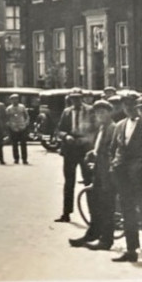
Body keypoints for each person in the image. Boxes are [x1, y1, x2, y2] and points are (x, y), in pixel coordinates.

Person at [69, 96, 117, 249]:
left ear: (110, 113)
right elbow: (99, 149)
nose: (100, 116)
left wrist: (101, 160)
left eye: (103, 112)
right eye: (97, 113)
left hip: (107, 174)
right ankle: (92, 234)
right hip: (98, 172)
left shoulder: (112, 128)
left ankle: (106, 240)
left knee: (107, 207)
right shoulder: (101, 128)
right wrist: (92, 153)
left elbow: (112, 151)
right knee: (96, 205)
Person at [110, 90, 142, 263]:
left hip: (140, 177)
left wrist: (140, 166)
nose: (129, 108)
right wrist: (115, 165)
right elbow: (114, 150)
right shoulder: (120, 125)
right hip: (123, 178)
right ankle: (131, 249)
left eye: (132, 104)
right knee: (128, 214)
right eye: (125, 105)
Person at [55, 91, 98, 223]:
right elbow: (59, 130)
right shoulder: (67, 112)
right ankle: (66, 213)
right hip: (70, 149)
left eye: (78, 98)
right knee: (69, 182)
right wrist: (65, 136)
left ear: (82, 98)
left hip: (85, 149)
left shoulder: (91, 111)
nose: (75, 101)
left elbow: (96, 130)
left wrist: (86, 140)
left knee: (89, 181)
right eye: (73, 99)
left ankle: (93, 214)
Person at [6, 95, 31, 165]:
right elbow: (7, 119)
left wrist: (26, 124)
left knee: (23, 144)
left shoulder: (22, 107)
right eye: (13, 99)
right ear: (11, 100)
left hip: (22, 127)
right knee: (14, 144)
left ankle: (24, 159)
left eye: (16, 99)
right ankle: (16, 159)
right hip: (13, 128)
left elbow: (27, 116)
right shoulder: (9, 109)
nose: (15, 101)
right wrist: (10, 125)